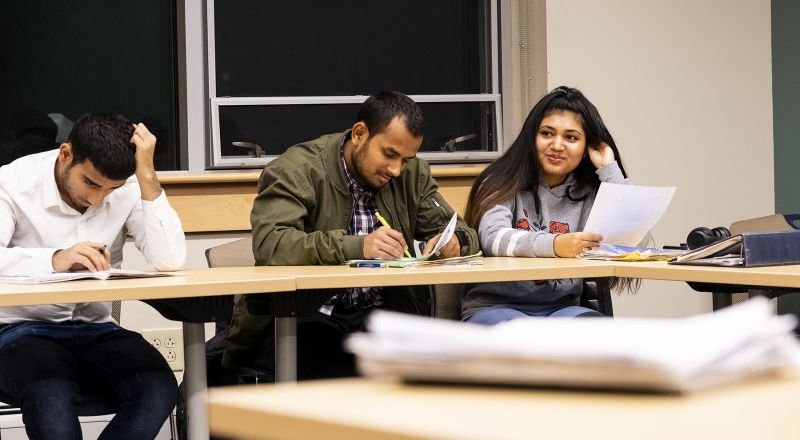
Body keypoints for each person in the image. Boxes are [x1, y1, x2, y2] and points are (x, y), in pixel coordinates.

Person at [222, 91, 480, 380]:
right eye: (389, 154)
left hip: (380, 313)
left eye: (406, 159)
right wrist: (359, 246)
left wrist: (455, 242)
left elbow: (462, 231)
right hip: (304, 314)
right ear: (359, 133)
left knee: (441, 375)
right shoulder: (295, 170)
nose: (396, 170)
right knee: (340, 371)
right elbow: (273, 245)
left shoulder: (411, 175)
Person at [0, 113, 186, 439]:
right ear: (66, 154)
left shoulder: (128, 186)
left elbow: (169, 259)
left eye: (111, 189)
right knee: (51, 397)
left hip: (96, 328)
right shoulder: (13, 183)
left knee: (158, 388)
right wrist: (55, 259)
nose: (97, 199)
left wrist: (145, 173)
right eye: (90, 183)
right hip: (18, 331)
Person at [461, 86, 635, 325]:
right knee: (527, 339)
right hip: (495, 307)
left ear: (586, 149)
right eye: (547, 133)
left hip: (561, 309)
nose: (557, 145)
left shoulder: (591, 193)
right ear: (532, 138)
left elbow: (632, 242)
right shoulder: (501, 180)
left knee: (604, 335)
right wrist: (556, 244)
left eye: (571, 137)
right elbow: (494, 238)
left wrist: (609, 170)